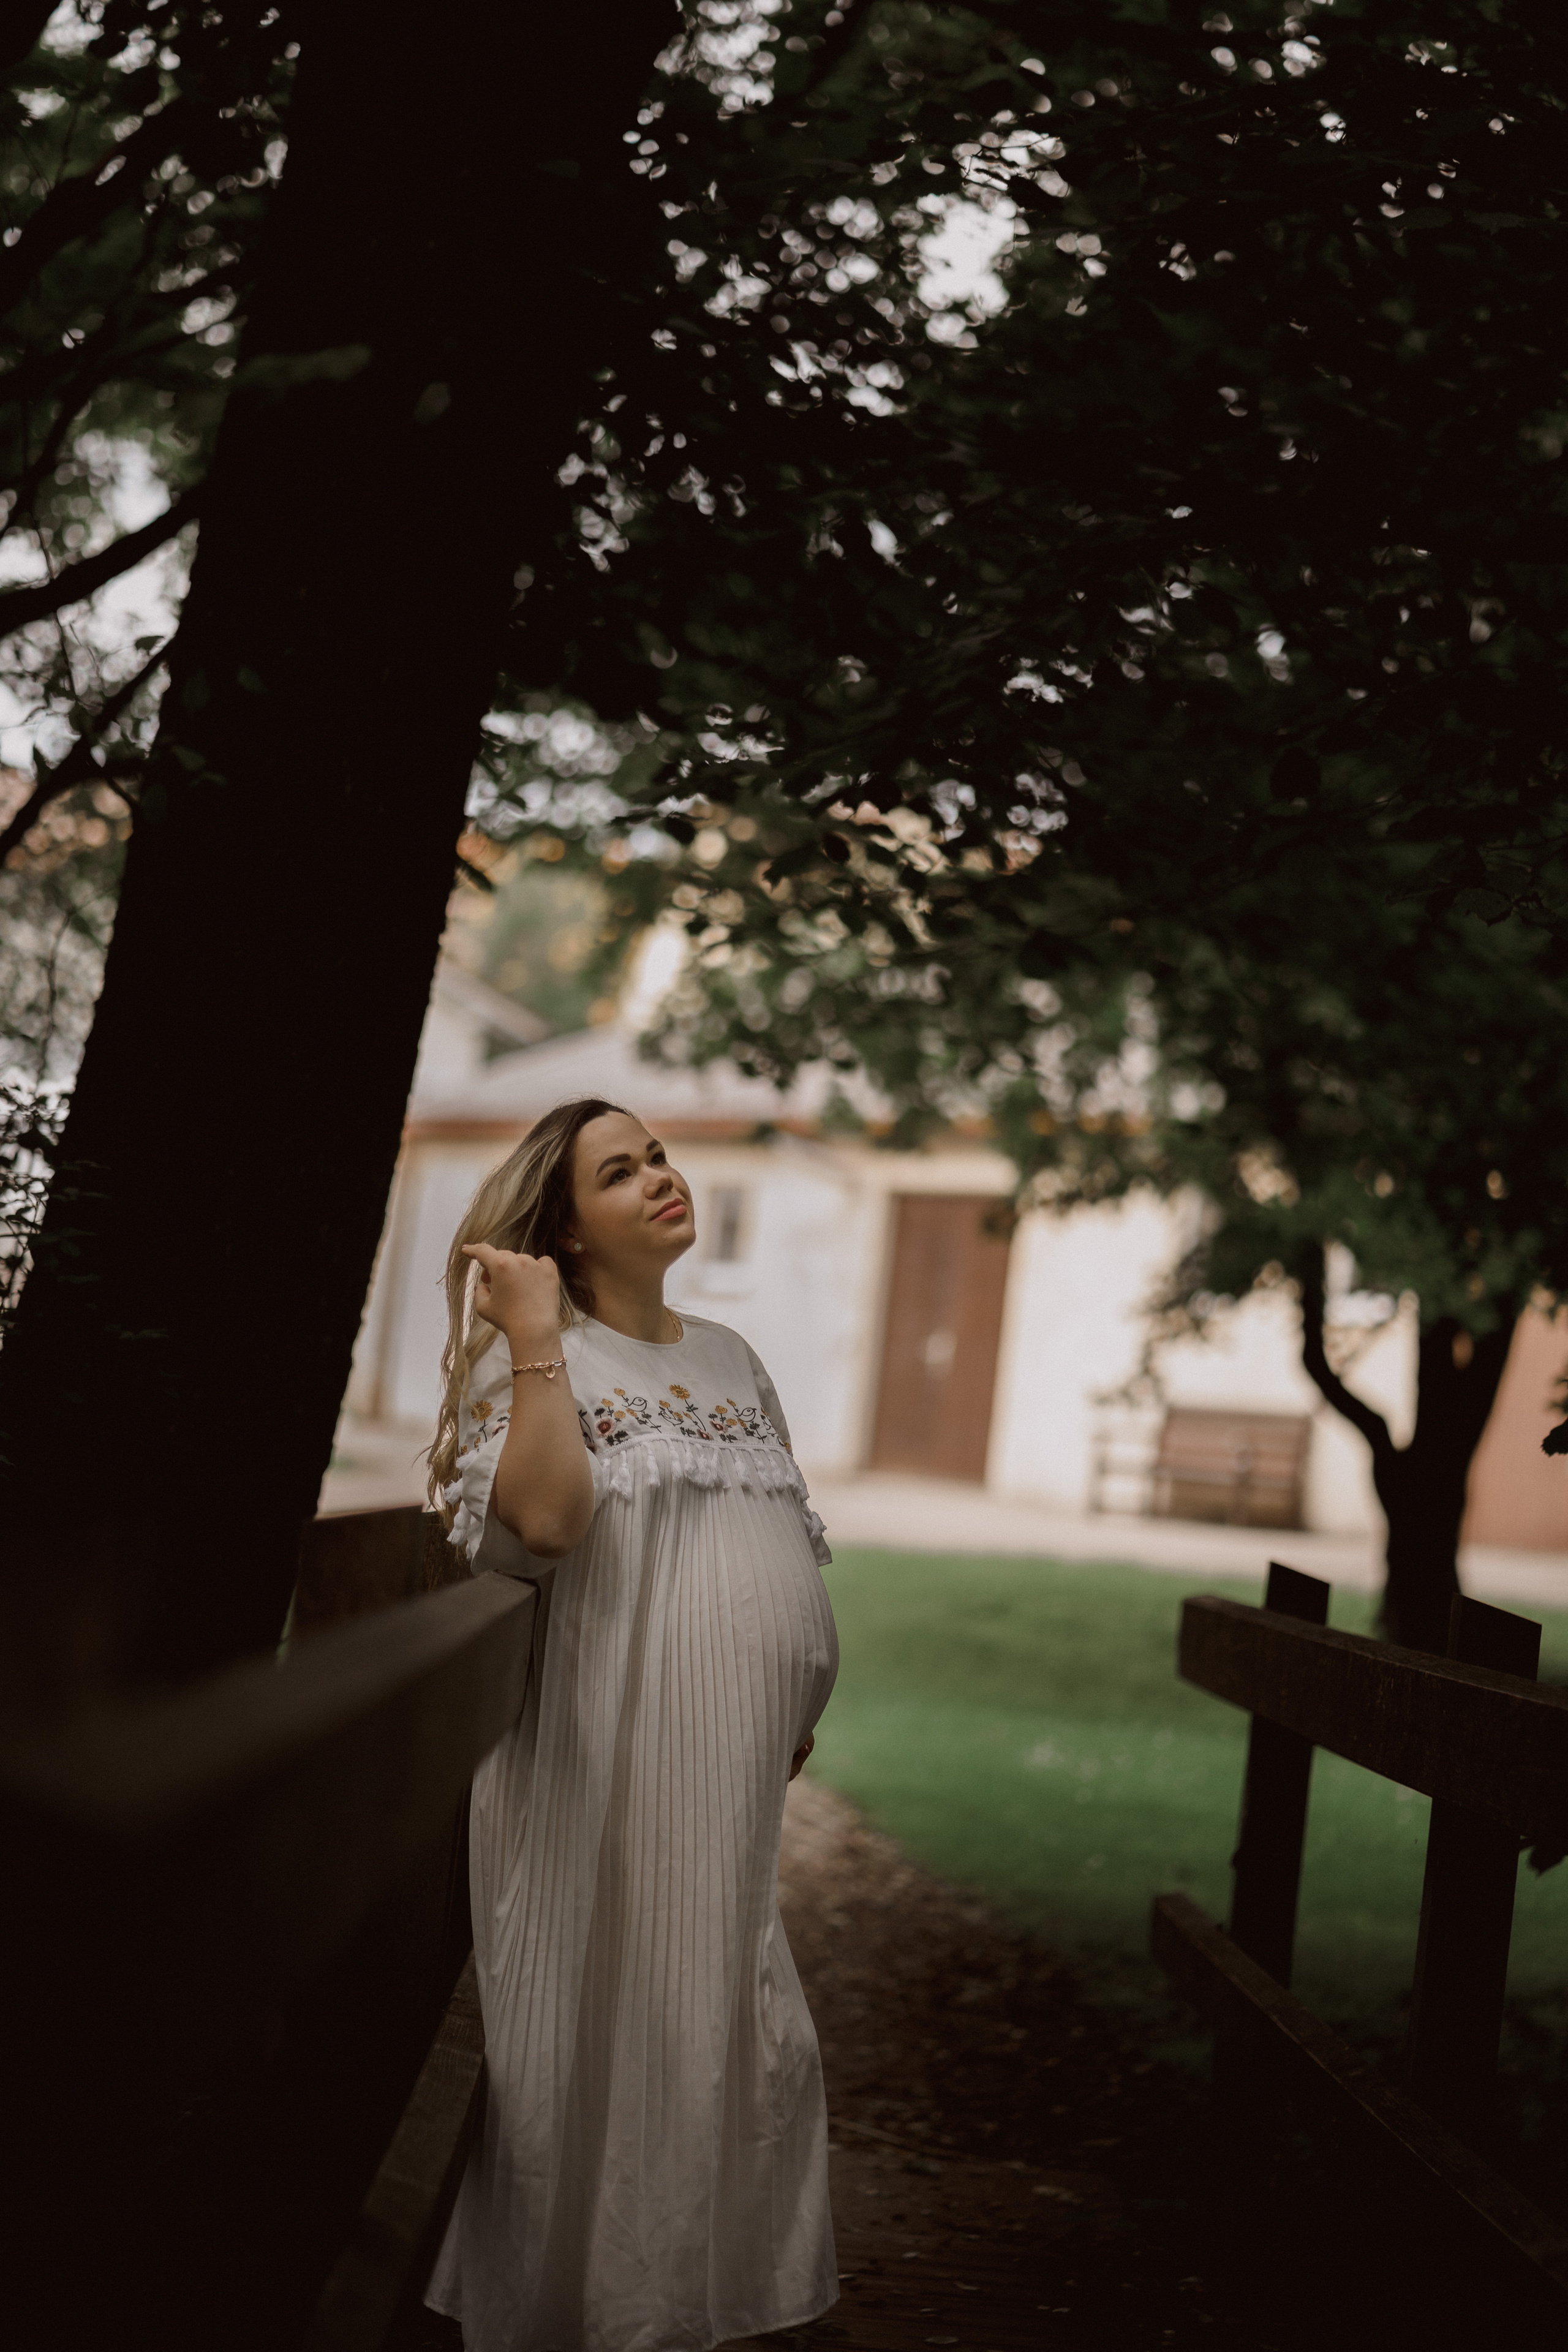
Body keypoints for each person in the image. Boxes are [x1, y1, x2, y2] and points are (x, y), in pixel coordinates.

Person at [423, 1095, 839, 2352]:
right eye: (621, 1171)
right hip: (610, 1768)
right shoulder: (540, 1362)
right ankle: (592, 2319)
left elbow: (764, 1546)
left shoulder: (729, 1358)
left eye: (656, 1154)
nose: (662, 1176)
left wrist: (787, 1689)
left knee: (719, 2034)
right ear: (566, 1230)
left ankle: (686, 2306)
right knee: (618, 2035)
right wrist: (538, 1337)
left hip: (727, 1783)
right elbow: (543, 1527)